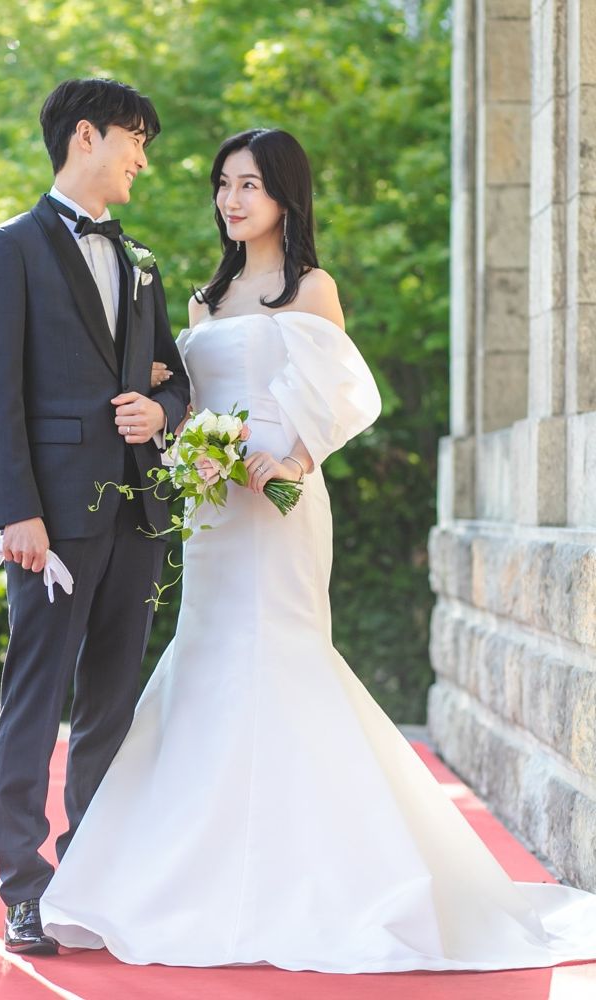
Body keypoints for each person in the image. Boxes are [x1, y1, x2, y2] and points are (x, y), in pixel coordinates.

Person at [39, 128, 596, 971]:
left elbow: (342, 394)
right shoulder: (202, 300)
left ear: (284, 197)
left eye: (249, 185)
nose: (231, 200)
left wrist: (291, 461)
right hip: (215, 508)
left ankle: (332, 875)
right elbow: (191, 402)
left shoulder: (310, 288)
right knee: (209, 657)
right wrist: (187, 440)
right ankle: (199, 874)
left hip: (281, 500)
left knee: (285, 656)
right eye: (223, 183)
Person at [0, 78, 191, 955]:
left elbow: (176, 374)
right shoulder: (7, 249)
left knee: (110, 705)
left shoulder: (142, 263)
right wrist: (16, 513)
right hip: (51, 523)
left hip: (138, 512)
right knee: (36, 698)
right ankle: (23, 889)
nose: (143, 160)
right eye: (137, 140)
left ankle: (90, 878)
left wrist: (160, 411)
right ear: (86, 136)